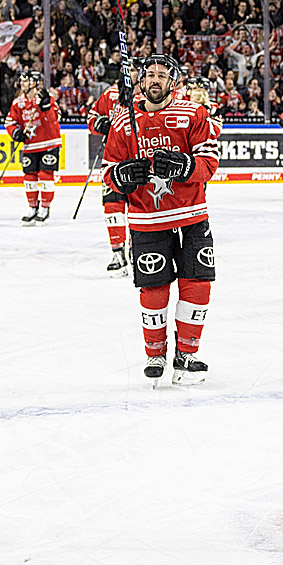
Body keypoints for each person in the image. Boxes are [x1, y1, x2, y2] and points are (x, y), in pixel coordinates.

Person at [100, 55, 220, 386]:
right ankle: (155, 353)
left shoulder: (192, 113)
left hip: (191, 213)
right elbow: (108, 171)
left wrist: (184, 166)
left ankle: (187, 353)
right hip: (146, 218)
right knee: (153, 286)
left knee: (197, 282)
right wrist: (122, 175)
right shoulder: (124, 120)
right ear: (140, 81)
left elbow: (209, 162)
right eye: (150, 74)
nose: (155, 79)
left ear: (173, 82)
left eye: (162, 75)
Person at [86, 70, 136, 277]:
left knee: (138, 207)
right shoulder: (111, 94)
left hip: (138, 159)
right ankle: (117, 253)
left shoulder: (150, 95)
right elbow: (92, 116)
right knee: (112, 206)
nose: (133, 74)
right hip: (113, 159)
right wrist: (100, 124)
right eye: (130, 69)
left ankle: (137, 250)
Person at [4, 70, 61, 225]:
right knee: (29, 177)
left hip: (49, 143)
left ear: (34, 83)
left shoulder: (46, 98)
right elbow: (10, 122)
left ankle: (45, 207)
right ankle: (32, 207)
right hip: (30, 145)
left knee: (45, 175)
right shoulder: (18, 103)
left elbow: (55, 119)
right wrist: (15, 133)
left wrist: (46, 107)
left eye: (26, 80)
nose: (22, 83)